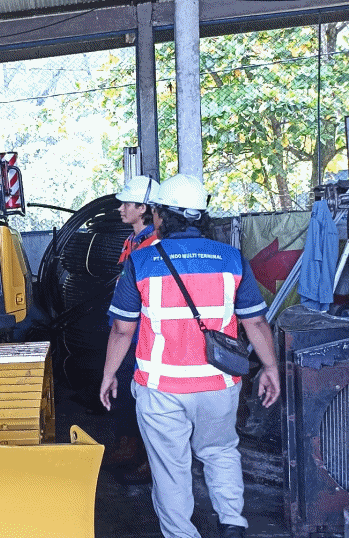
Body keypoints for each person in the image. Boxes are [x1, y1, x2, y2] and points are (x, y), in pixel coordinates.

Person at [100, 174, 281, 538]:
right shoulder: (232, 259)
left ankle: (183, 534)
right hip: (219, 384)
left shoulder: (143, 261)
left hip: (161, 388)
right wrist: (270, 367)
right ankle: (232, 522)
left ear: (160, 216)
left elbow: (123, 329)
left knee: (170, 467)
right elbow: (257, 322)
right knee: (220, 451)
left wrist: (108, 375)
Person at [103, 175, 159, 483]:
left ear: (145, 208)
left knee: (144, 397)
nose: (122, 209)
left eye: (128, 204)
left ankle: (150, 460)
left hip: (143, 334)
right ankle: (128, 446)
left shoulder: (154, 243)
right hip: (125, 328)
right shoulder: (133, 240)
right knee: (124, 390)